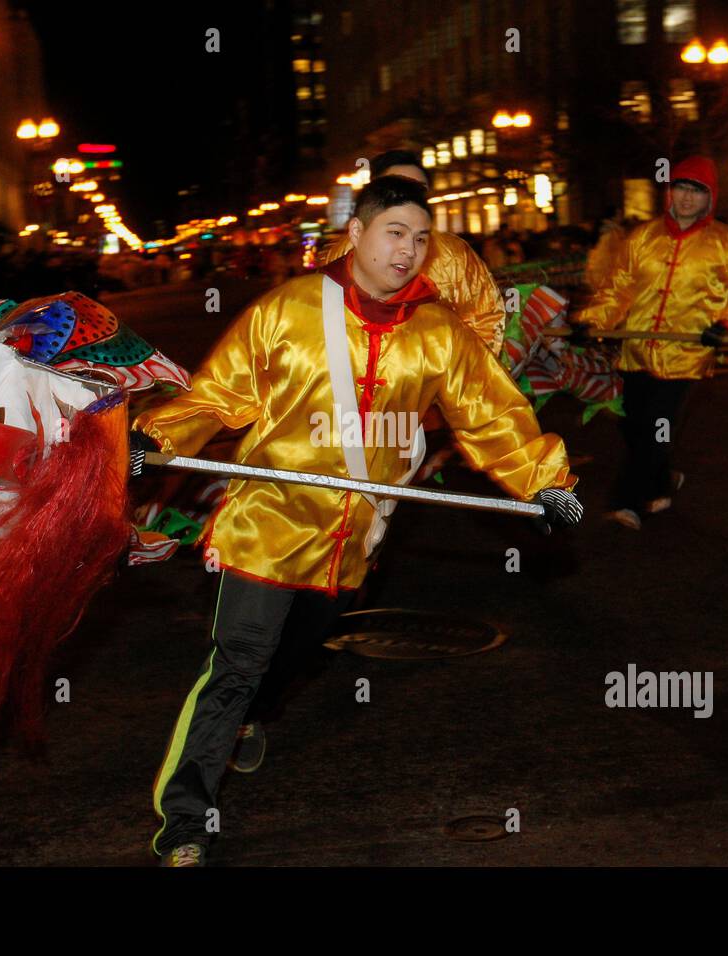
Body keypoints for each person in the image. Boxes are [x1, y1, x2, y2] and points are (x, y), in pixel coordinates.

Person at [133, 176, 582, 866]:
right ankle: (186, 821)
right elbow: (217, 397)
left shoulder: (438, 335)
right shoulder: (286, 311)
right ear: (356, 235)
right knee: (238, 661)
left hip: (353, 545)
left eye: (421, 238)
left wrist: (545, 485)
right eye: (393, 233)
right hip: (267, 524)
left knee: (292, 657)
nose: (407, 251)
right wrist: (156, 441)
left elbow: (494, 416)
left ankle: (255, 713)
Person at [572, 156, 728, 531]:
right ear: (669, 192)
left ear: (710, 198)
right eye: (681, 188)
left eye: (697, 190)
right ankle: (661, 481)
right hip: (636, 352)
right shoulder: (642, 237)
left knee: (657, 425)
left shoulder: (726, 243)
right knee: (633, 426)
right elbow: (617, 288)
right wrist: (592, 320)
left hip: (687, 356)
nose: (687, 198)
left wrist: (726, 323)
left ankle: (628, 503)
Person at [321, 149, 506, 353]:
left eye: (419, 191)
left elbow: (485, 320)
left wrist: (452, 371)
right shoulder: (341, 254)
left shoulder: (456, 253)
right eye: (397, 189)